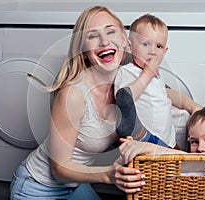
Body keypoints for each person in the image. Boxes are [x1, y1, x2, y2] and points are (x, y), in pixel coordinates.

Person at [10, 6, 158, 199]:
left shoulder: (125, 81)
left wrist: (193, 108)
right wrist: (108, 174)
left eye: (110, 31)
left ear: (125, 41)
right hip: (37, 186)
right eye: (92, 36)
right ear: (83, 50)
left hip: (75, 185)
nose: (104, 41)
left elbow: (162, 94)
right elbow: (58, 167)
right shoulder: (73, 94)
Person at [114, 14, 202, 148]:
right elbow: (124, 100)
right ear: (130, 47)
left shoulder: (158, 75)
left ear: (165, 52)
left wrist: (192, 107)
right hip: (145, 143)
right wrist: (147, 73)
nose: (153, 52)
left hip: (168, 141)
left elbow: (162, 96)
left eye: (159, 46)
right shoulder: (127, 71)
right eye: (145, 44)